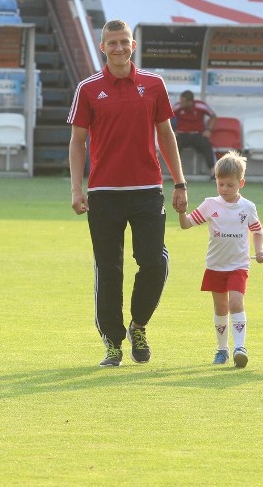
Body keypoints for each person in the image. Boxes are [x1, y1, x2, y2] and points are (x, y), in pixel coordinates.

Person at [68, 19, 187, 367]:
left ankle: (138, 325)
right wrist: (77, 187)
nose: (118, 48)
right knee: (109, 269)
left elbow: (166, 135)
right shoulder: (88, 89)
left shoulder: (153, 85)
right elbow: (77, 142)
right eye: (112, 43)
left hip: (148, 190)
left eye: (124, 42)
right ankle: (113, 343)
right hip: (104, 193)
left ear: (133, 46)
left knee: (154, 261)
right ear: (102, 47)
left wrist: (179, 182)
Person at [178, 150, 263, 368]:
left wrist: (260, 250)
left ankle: (240, 348)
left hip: (238, 265)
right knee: (220, 308)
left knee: (236, 303)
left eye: (230, 185)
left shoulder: (247, 208)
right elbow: (187, 224)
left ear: (241, 183)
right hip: (216, 265)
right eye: (221, 184)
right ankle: (222, 350)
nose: (225, 189)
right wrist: (181, 212)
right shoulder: (210, 204)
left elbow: (257, 231)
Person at [173, 90, 217, 179]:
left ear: (190, 102)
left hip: (197, 134)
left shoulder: (201, 106)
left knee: (207, 144)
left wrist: (208, 130)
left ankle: (213, 171)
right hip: (182, 135)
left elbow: (213, 116)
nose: (181, 104)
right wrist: (172, 131)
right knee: (174, 146)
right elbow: (165, 117)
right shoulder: (177, 107)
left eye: (183, 102)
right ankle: (175, 174)